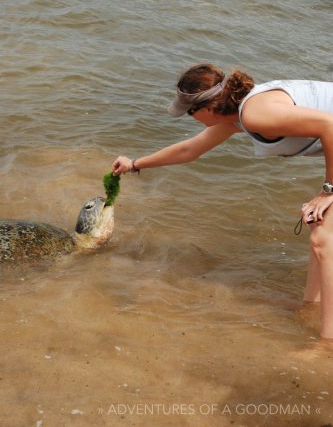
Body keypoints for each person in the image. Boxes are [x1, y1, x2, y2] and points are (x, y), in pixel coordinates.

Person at [112, 63, 333, 340]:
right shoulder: (239, 117)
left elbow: (329, 124)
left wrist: (328, 190)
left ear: (207, 107)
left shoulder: (255, 113)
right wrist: (134, 164)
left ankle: (326, 344)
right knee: (319, 226)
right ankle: (310, 309)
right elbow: (189, 149)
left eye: (190, 112)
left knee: (323, 239)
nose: (192, 119)